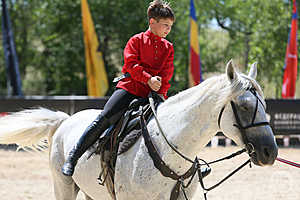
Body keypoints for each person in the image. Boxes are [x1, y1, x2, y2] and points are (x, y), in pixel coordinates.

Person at [62, 0, 175, 176]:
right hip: (129, 89)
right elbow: (131, 65)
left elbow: (167, 74)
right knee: (105, 117)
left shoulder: (169, 47)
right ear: (152, 22)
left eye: (170, 26)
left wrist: (162, 94)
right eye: (165, 25)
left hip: (153, 94)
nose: (168, 30)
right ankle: (73, 157)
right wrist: (148, 79)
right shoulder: (136, 40)